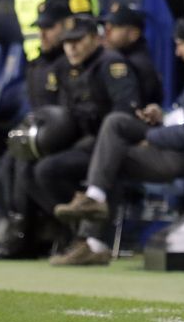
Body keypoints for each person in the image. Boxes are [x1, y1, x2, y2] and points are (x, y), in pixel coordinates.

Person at [52, 15, 184, 265]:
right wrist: (161, 117)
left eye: (180, 44)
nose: (177, 52)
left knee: (112, 156)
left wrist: (152, 137)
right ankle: (94, 205)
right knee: (116, 124)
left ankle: (93, 240)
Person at [25, 13, 140, 266]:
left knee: (49, 170)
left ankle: (89, 239)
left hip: (108, 146)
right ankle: (75, 234)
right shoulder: (63, 68)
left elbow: (125, 112)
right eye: (67, 42)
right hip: (80, 142)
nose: (71, 47)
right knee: (30, 168)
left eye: (78, 40)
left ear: (95, 39)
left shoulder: (111, 65)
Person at [0, 1, 68, 259]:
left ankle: (23, 236)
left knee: (18, 168)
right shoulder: (36, 64)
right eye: (41, 28)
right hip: (34, 137)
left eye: (49, 28)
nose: (43, 34)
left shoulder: (66, 64)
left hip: (58, 140)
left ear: (64, 27)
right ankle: (11, 225)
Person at [101, 2, 163, 107]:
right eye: (106, 26)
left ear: (133, 34)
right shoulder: (116, 56)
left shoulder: (137, 65)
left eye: (114, 27)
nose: (106, 32)